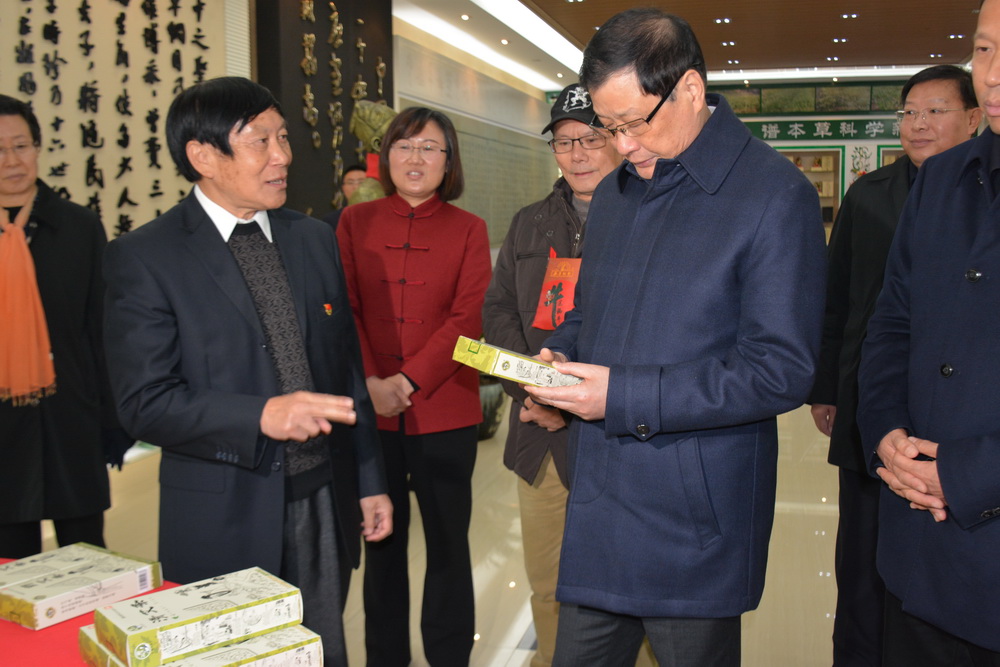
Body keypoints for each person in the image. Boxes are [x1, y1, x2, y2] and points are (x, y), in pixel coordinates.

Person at [523, 8, 826, 665]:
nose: (623, 146)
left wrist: (620, 396)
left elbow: (780, 370)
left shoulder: (774, 196)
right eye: (609, 127)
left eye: (634, 123)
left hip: (695, 517)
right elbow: (591, 313)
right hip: (601, 502)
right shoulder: (616, 194)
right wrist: (560, 359)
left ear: (689, 89)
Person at [102, 77, 392, 665]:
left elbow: (345, 371)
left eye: (282, 138)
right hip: (222, 512)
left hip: (322, 498)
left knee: (321, 650)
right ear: (203, 156)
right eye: (261, 141)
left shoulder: (313, 239)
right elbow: (144, 402)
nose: (282, 156)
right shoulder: (146, 257)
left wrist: (369, 479)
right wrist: (261, 415)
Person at [809, 65, 980, 666]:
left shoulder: (980, 200)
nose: (918, 124)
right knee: (860, 562)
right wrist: (826, 387)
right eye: (909, 112)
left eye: (935, 111)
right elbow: (837, 298)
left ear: (973, 118)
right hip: (870, 412)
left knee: (932, 572)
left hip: (951, 423)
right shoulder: (869, 195)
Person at [856, 1, 1000, 662]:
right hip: (917, 552)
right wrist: (886, 431)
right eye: (985, 49)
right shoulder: (942, 179)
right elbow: (892, 322)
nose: (992, 73)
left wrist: (968, 474)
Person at [337, 107, 491, 667]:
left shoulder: (469, 228)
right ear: (386, 157)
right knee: (381, 543)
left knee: (449, 545)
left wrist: (407, 379)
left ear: (449, 161)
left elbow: (469, 317)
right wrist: (372, 383)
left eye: (430, 148)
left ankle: (449, 657)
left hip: (445, 410)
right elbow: (345, 308)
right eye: (404, 146)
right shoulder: (353, 222)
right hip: (372, 414)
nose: (416, 158)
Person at [481, 82, 621, 667]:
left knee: (626, 589)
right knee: (549, 582)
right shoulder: (529, 224)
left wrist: (581, 402)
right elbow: (499, 313)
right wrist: (533, 395)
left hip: (621, 438)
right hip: (538, 433)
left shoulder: (649, 218)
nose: (577, 154)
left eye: (590, 138)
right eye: (564, 142)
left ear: (618, 138)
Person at [0, 95, 131, 558]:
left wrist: (114, 420)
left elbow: (103, 330)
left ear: (37, 147)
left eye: (21, 145)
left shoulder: (79, 227)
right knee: (9, 569)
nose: (11, 160)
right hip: (3, 431)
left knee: (87, 559)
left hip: (71, 419)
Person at [323, 164, 367, 231]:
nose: (355, 187)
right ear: (343, 188)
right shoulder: (332, 220)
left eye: (361, 182)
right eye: (350, 183)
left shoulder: (380, 217)